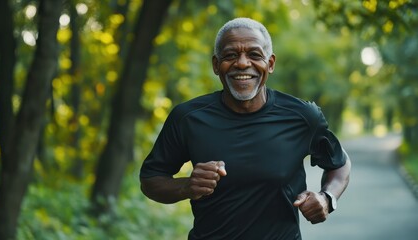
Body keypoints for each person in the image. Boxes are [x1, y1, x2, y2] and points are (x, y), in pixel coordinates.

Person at [140, 17, 351, 240]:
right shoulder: (187, 118)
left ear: (270, 64)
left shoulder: (302, 117)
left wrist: (327, 198)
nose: (242, 63)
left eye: (254, 54)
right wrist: (187, 186)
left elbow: (340, 164)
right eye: (230, 55)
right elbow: (150, 180)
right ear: (215, 64)